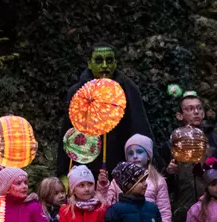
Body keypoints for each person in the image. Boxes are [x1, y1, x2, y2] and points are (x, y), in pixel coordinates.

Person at [55, 44, 154, 176]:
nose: (105, 66)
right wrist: (64, 170)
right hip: (85, 166)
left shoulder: (128, 88)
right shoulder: (77, 92)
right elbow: (68, 131)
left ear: (115, 63)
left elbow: (139, 125)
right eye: (99, 60)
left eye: (109, 60)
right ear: (89, 63)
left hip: (121, 163)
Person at [166, 88, 217, 222]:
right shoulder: (174, 141)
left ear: (203, 113)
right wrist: (171, 172)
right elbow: (166, 181)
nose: (195, 112)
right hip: (185, 205)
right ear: (180, 115)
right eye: (189, 109)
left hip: (214, 205)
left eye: (198, 108)